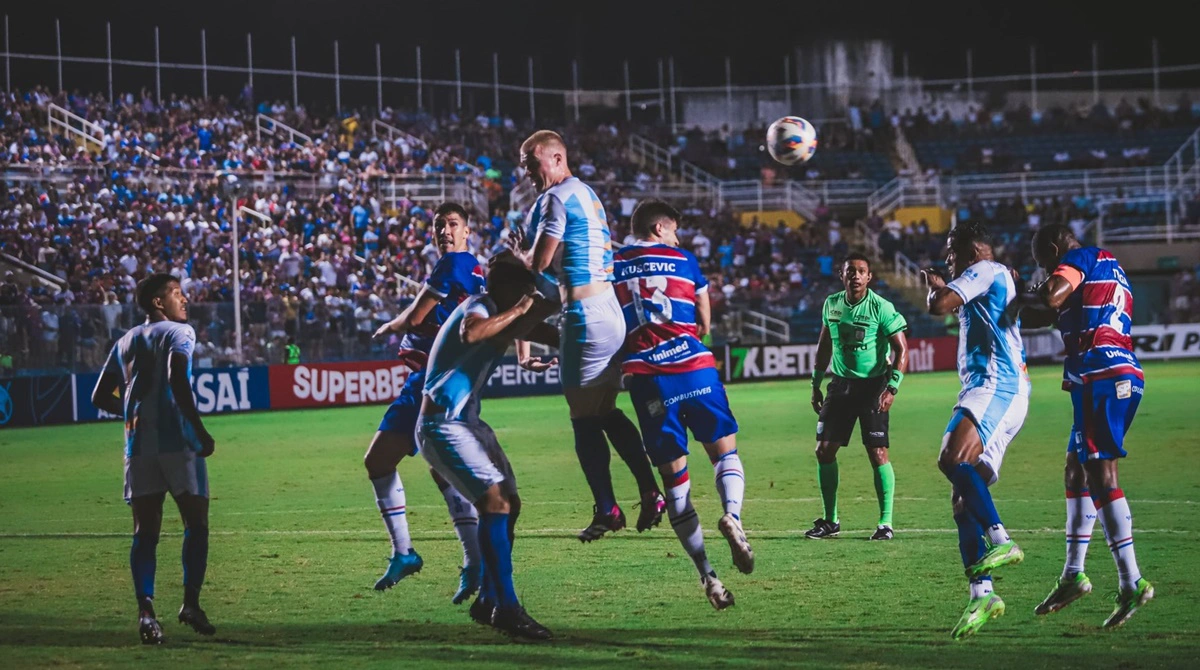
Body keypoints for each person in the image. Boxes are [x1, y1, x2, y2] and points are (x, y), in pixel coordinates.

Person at [509, 130, 664, 541]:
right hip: (609, 312)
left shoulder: (555, 199)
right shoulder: (587, 194)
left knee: (583, 420)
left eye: (532, 161)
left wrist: (516, 257)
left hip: (583, 313)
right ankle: (650, 491)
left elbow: (538, 265)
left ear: (557, 159)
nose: (526, 171)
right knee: (605, 410)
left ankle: (608, 509)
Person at [613, 200, 752, 610]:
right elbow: (705, 323)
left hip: (649, 380)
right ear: (659, 228)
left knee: (676, 486)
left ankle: (708, 576)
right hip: (695, 368)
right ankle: (733, 517)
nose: (677, 238)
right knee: (724, 453)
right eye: (673, 230)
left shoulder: (614, 264)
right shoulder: (684, 260)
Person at [417, 253, 559, 639]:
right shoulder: (479, 306)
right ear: (509, 288)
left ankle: (490, 600)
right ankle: (507, 609)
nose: (528, 294)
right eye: (523, 289)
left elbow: (545, 332)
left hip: (465, 421)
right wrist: (525, 307)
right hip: (442, 423)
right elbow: (473, 333)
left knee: (510, 503)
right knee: (495, 503)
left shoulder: (502, 309)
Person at [1021, 223, 1153, 627]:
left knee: (1101, 474)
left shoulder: (1079, 257)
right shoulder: (1112, 268)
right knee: (1076, 468)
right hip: (1112, 373)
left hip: (1103, 372)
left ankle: (1132, 581)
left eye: (1044, 261)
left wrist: (1031, 287)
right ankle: (1072, 574)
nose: (1044, 269)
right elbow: (1047, 312)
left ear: (1056, 248)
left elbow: (1052, 296)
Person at [366, 203, 487, 599]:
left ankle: (409, 553)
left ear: (468, 231)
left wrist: (392, 324)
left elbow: (416, 318)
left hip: (429, 380)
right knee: (442, 470)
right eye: (439, 226)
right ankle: (471, 564)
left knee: (378, 461)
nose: (445, 231)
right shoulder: (474, 270)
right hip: (449, 376)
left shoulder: (452, 265)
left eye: (453, 224)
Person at [90, 273, 217, 645]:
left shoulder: (125, 340)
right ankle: (190, 604)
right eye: (177, 293)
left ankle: (146, 614)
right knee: (197, 523)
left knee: (145, 532)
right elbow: (178, 377)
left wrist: (132, 413)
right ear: (158, 303)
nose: (185, 299)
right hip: (178, 442)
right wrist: (200, 430)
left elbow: (99, 397)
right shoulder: (180, 332)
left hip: (138, 447)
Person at [923, 221, 1031, 639]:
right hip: (1003, 391)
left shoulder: (985, 268)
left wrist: (936, 288)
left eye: (951, 251)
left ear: (969, 250)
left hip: (995, 386)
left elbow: (938, 304)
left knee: (950, 458)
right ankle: (982, 594)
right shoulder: (994, 276)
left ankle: (1002, 539)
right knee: (962, 501)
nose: (948, 258)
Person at [807, 253, 908, 541]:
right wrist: (815, 383)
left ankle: (885, 523)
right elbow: (824, 345)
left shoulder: (881, 307)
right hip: (840, 386)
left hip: (873, 387)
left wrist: (892, 387)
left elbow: (902, 349)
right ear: (842, 275)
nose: (855, 276)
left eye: (861, 271)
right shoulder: (832, 304)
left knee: (877, 453)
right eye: (850, 271)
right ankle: (830, 520)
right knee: (823, 451)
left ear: (869, 277)